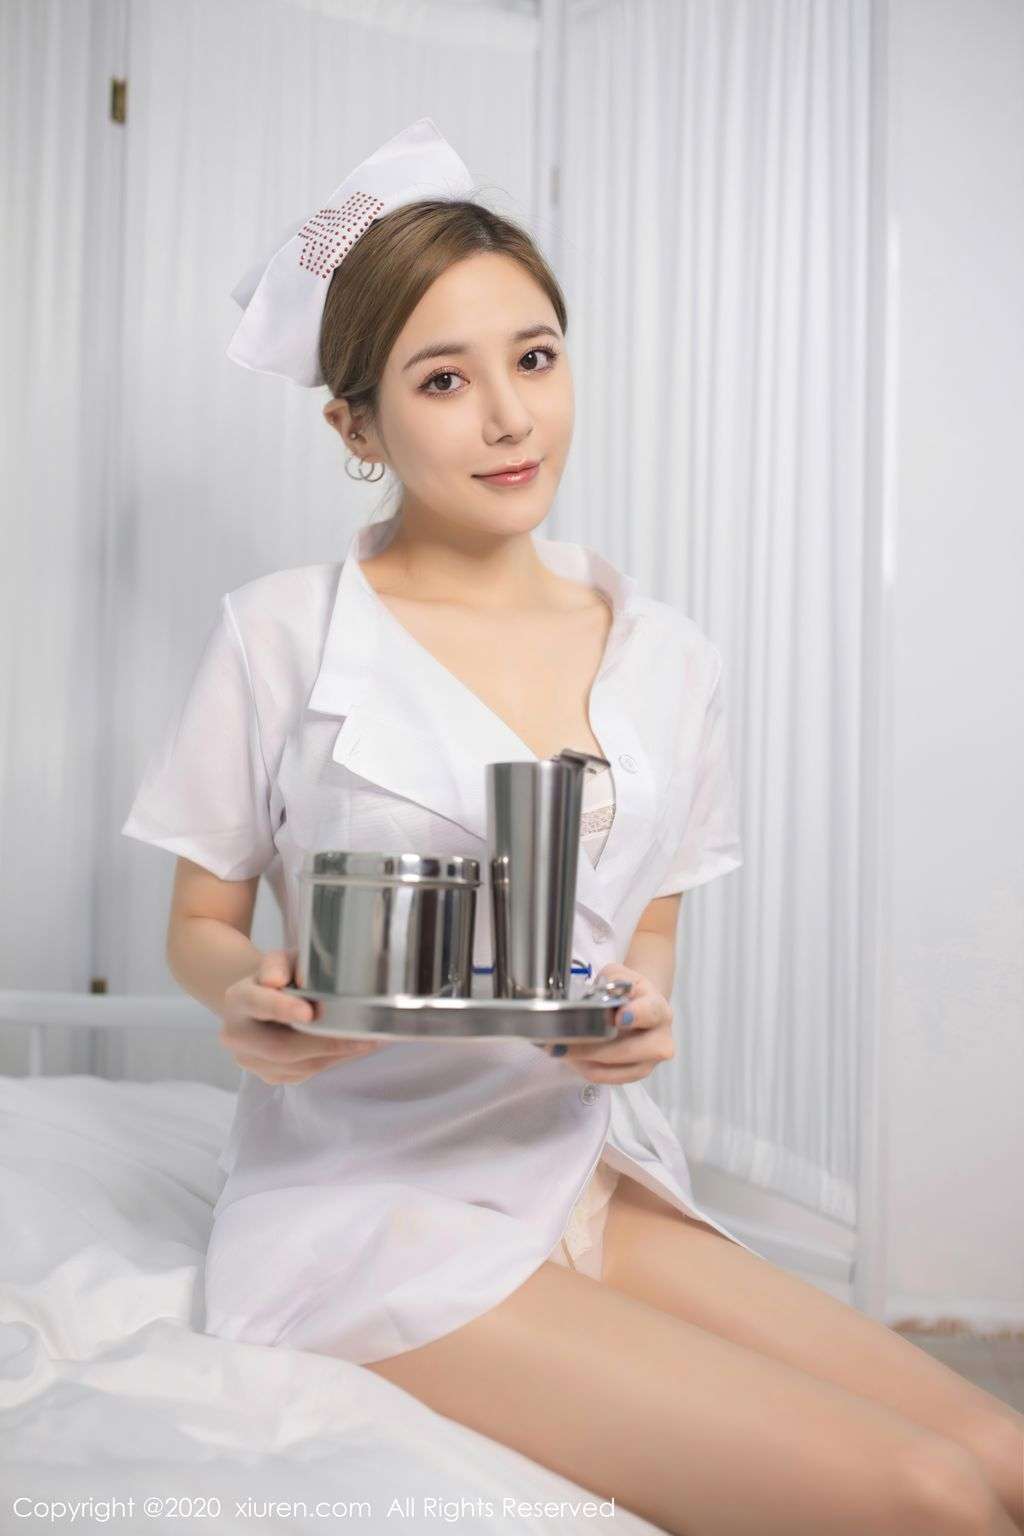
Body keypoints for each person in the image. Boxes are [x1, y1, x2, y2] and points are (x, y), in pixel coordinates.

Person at [122, 119, 1024, 1536]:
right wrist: (251, 996)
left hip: (580, 1163)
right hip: (367, 1199)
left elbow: (645, 948)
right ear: (354, 426)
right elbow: (200, 926)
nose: (510, 419)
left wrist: (640, 1017)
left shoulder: (669, 657)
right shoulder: (279, 635)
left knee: (1000, 1452)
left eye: (534, 358)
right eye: (443, 379)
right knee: (929, 1498)